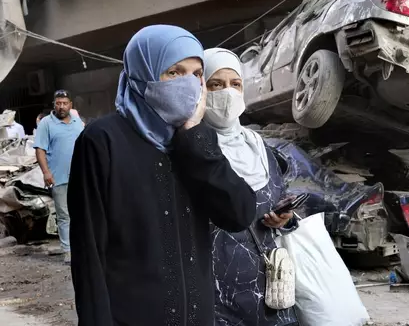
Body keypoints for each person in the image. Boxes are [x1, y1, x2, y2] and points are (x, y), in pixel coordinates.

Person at [67, 25, 257, 326]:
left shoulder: (194, 140)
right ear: (144, 72)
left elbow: (240, 213)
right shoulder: (102, 141)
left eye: (196, 74)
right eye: (174, 72)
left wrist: (195, 140)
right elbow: (89, 254)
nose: (189, 84)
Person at [202, 48, 300, 326]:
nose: (227, 93)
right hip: (214, 290)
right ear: (200, 90)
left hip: (269, 284)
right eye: (215, 85)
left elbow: (279, 201)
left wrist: (285, 218)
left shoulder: (259, 147)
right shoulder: (190, 149)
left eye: (235, 84)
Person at [34, 90, 84, 262]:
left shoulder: (78, 121)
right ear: (54, 105)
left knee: (82, 213)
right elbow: (40, 149)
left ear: (71, 104)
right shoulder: (46, 123)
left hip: (81, 177)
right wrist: (46, 172)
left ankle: (82, 246)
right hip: (59, 177)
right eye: (58, 103)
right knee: (64, 215)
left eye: (64, 103)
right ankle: (67, 251)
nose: (61, 106)